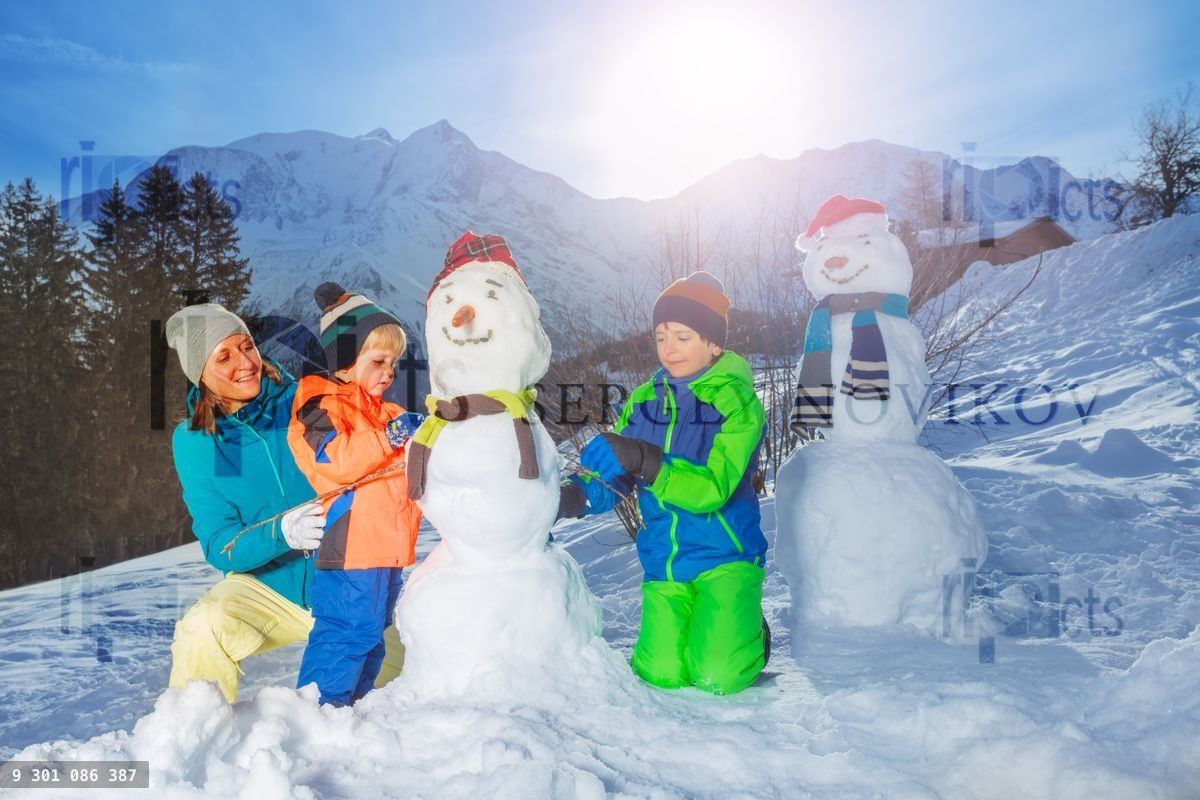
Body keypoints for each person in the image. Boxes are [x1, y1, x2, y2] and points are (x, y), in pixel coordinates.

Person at [166, 302, 404, 702]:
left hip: (350, 579)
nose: (245, 362)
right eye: (224, 356)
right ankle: (191, 740)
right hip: (270, 589)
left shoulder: (306, 401)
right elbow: (221, 542)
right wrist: (282, 532)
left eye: (246, 347)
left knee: (413, 668)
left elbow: (364, 449)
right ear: (201, 375)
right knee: (202, 628)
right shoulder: (199, 442)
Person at [560, 272, 770, 695]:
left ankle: (751, 630)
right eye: (660, 336)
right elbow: (616, 480)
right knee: (660, 674)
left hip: (724, 557)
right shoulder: (643, 402)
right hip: (664, 562)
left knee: (718, 675)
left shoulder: (737, 401)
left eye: (683, 336)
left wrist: (646, 458)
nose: (668, 348)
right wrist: (574, 495)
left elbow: (713, 489)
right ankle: (713, 623)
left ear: (714, 343)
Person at [287, 283, 424, 706]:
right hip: (350, 546)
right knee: (346, 631)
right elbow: (338, 460)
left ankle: (354, 712)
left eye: (395, 362)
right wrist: (390, 437)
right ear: (346, 360)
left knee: (373, 633)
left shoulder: (383, 410)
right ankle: (319, 712)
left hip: (386, 548)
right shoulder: (318, 405)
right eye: (379, 360)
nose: (389, 371)